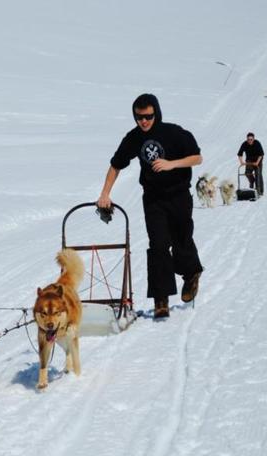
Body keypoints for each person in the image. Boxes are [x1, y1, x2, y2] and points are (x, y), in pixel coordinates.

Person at [96, 93, 204, 320]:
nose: (143, 121)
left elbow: (196, 158)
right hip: (154, 198)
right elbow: (116, 165)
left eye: (148, 116)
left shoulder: (174, 133)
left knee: (181, 238)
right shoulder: (134, 138)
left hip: (179, 195)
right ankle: (160, 299)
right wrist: (105, 193)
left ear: (156, 113)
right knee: (158, 244)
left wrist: (171, 164)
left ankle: (191, 274)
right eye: (139, 117)